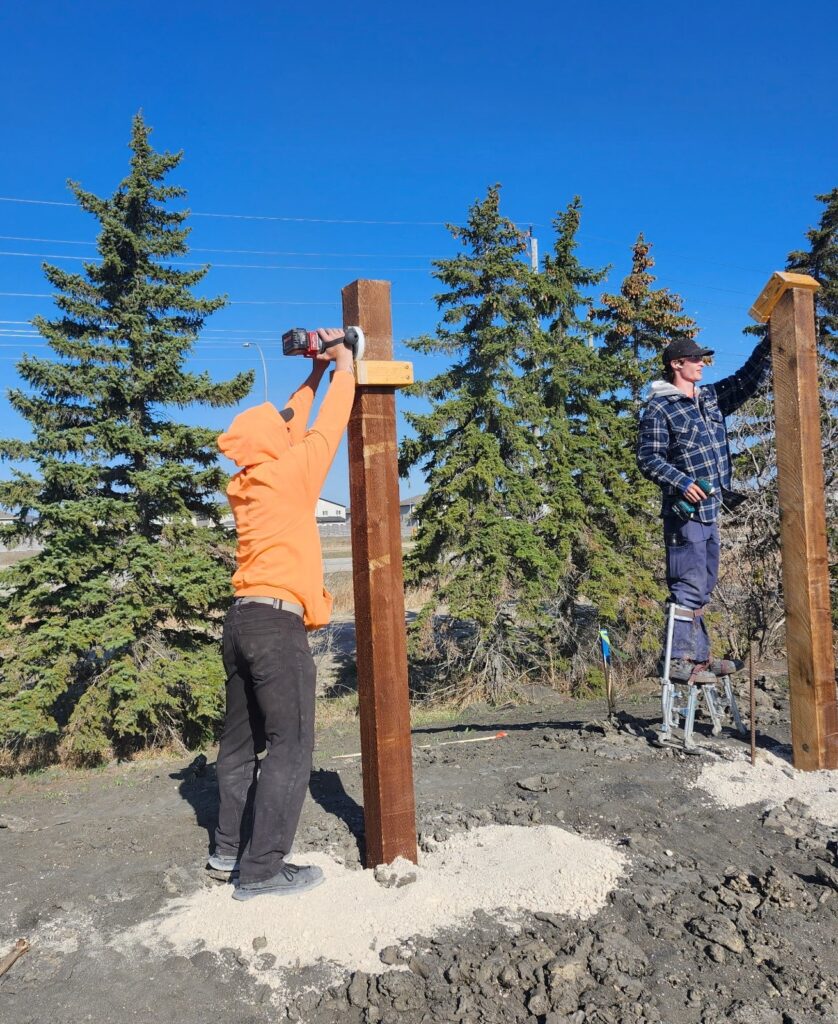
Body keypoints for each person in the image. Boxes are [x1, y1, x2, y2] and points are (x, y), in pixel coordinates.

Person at [209, 328, 355, 900]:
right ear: (275, 442)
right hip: (275, 627)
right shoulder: (292, 474)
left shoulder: (248, 479)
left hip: (240, 620)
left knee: (240, 747)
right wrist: (344, 364)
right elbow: (327, 424)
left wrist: (314, 372)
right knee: (291, 746)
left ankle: (226, 852)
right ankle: (264, 869)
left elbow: (292, 421)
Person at [637, 334, 772, 684]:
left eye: (703, 359)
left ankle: (698, 658)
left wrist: (769, 343)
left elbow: (746, 380)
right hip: (685, 513)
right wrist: (682, 482)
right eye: (695, 359)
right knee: (687, 583)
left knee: (705, 583)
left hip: (711, 509)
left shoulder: (709, 399)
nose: (701, 364)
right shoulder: (660, 407)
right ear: (676, 364)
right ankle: (677, 659)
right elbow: (648, 458)